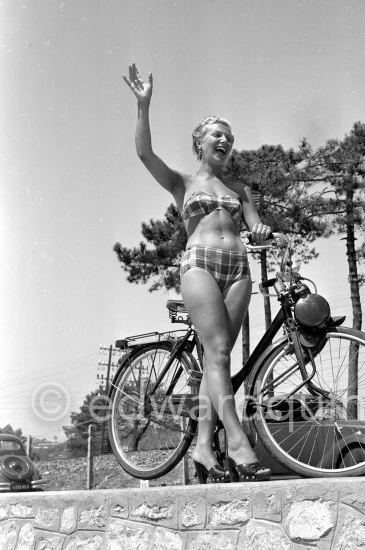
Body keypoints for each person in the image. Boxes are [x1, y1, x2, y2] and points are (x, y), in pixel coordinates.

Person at [123, 63, 272, 483]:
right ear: (200, 144)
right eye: (217, 135)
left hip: (238, 269)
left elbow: (257, 228)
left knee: (216, 360)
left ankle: (204, 449)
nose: (225, 141)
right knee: (220, 354)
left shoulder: (240, 191)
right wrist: (143, 105)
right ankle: (239, 442)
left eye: (229, 137)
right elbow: (144, 154)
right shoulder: (182, 183)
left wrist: (260, 229)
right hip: (199, 265)